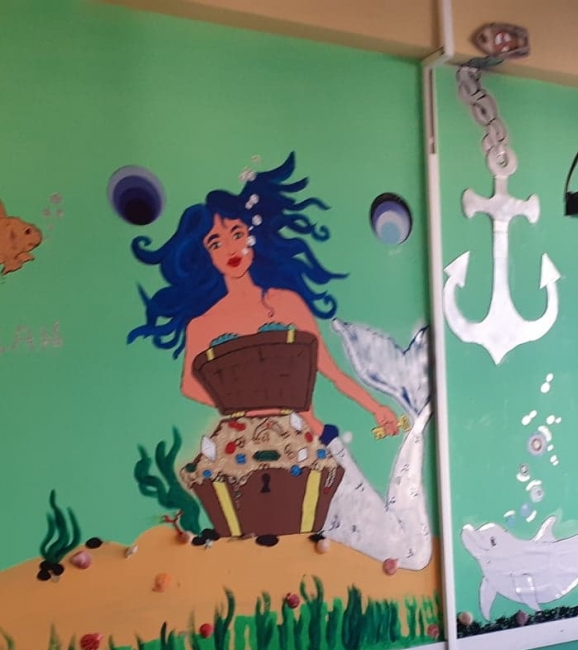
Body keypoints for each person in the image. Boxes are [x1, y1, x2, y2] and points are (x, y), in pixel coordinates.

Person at [128, 153, 399, 439]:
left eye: (236, 234)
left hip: (310, 437)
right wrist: (246, 406)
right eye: (215, 243)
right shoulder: (203, 324)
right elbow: (190, 385)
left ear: (251, 235)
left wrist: (376, 408)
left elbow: (331, 371)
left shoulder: (287, 303)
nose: (230, 249)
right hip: (244, 445)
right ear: (206, 255)